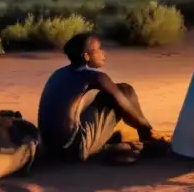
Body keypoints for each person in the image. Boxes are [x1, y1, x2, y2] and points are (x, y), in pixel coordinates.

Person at [38, 33, 163, 162]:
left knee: (104, 98)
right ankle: (148, 137)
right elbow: (121, 99)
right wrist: (147, 127)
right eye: (98, 50)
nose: (103, 53)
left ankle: (113, 143)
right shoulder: (97, 77)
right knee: (125, 91)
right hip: (73, 149)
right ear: (86, 56)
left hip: (50, 147)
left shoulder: (58, 73)